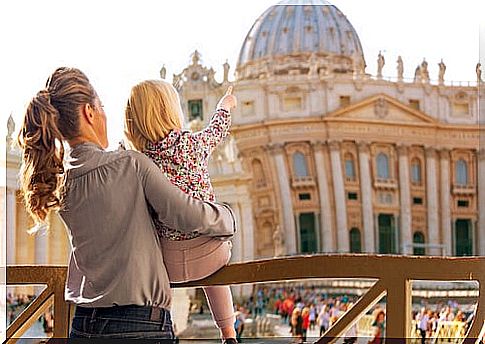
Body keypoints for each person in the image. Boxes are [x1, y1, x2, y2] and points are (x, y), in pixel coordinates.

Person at [17, 67, 236, 340]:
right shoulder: (131, 165)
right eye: (103, 107)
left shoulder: (61, 183)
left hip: (83, 324)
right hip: (139, 324)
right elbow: (188, 215)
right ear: (89, 112)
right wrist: (228, 216)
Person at [124, 79, 238, 343]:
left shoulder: (141, 161)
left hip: (166, 263)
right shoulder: (191, 144)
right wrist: (224, 106)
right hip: (210, 254)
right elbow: (215, 131)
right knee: (217, 272)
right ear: (171, 111)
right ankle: (228, 332)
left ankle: (163, 328)